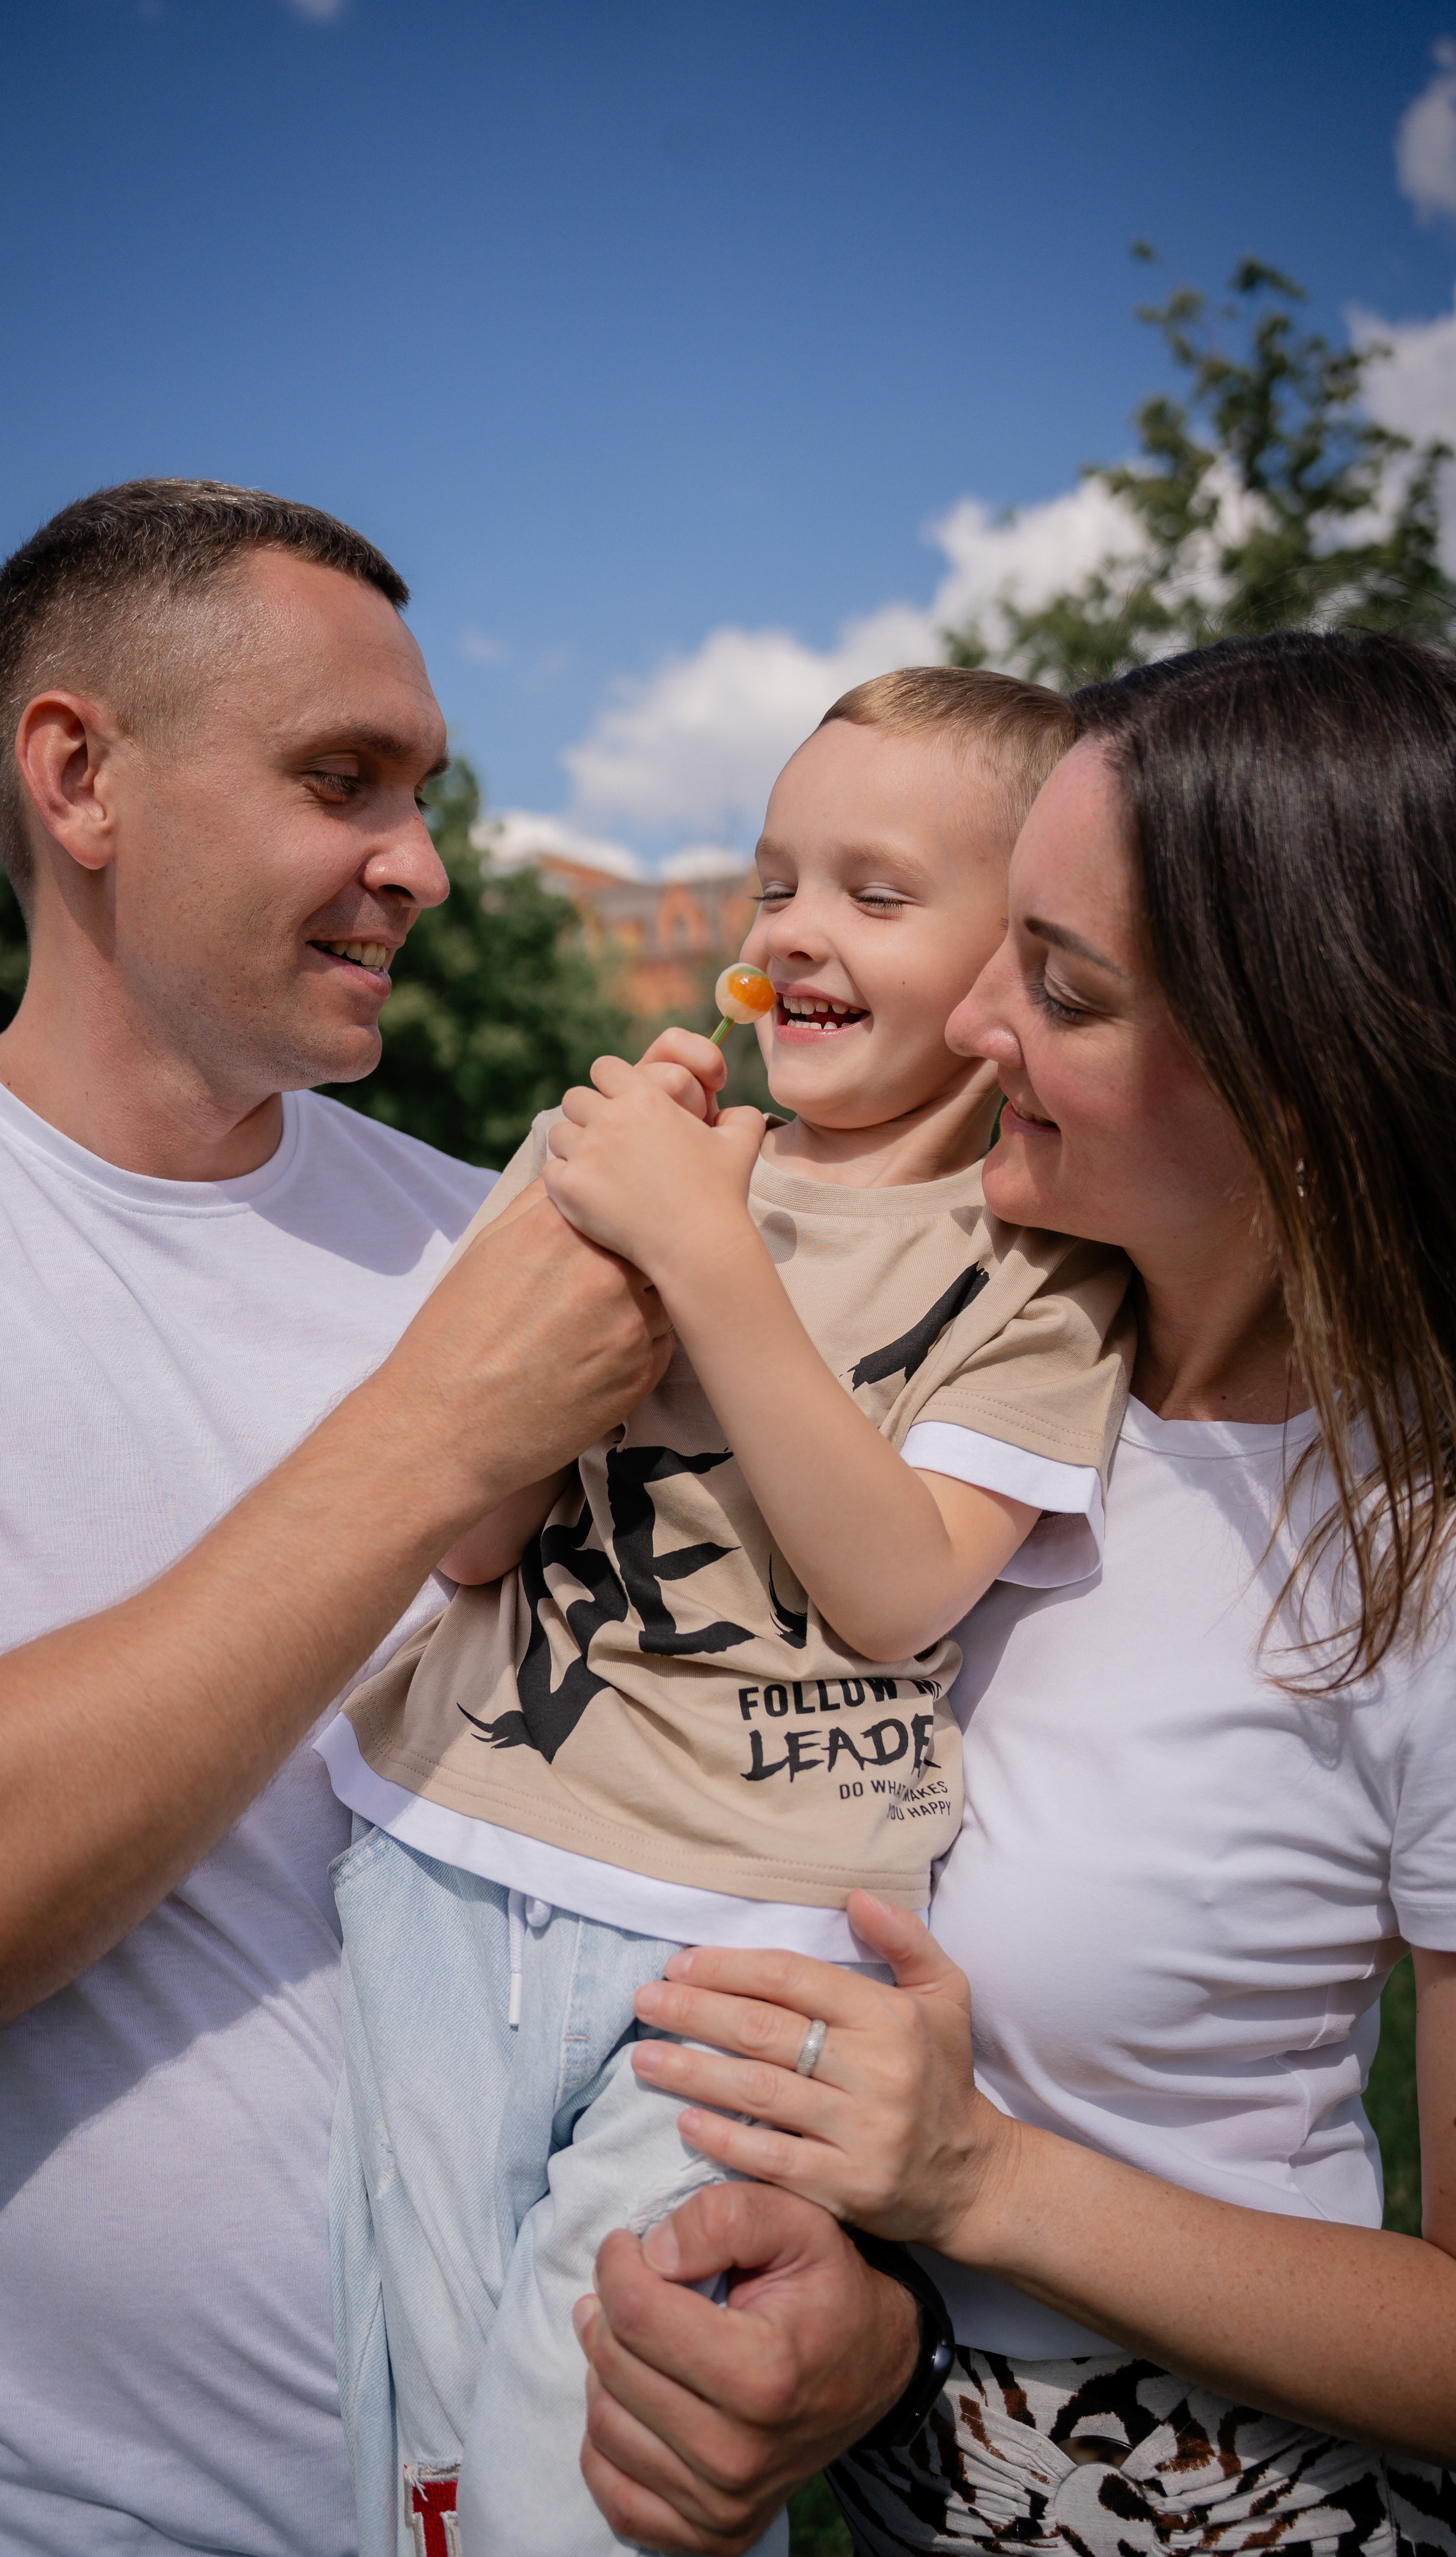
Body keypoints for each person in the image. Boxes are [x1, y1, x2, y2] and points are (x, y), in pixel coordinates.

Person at [0, 478, 925, 2557]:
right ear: (79, 777)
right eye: (344, 783)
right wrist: (433, 1435)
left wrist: (877, 2307)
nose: (422, 863)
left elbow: (807, 1776)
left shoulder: (510, 1233)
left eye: (429, 791)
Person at [572, 630, 1456, 2557]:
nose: (975, 1014)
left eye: (1060, 985)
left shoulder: (1448, 1555)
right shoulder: (933, 1388)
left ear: (1300, 1087)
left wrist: (983, 2186)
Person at [320, 670, 1132, 2552]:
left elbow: (903, 1590)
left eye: (875, 892)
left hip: (760, 1954)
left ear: (1014, 962)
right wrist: (596, 1236)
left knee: (603, 2432)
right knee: (427, 2434)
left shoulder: (1043, 1267)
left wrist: (708, 1259)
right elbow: (464, 1535)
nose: (794, 933)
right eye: (777, 882)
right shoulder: (616, 1159)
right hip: (450, 1864)